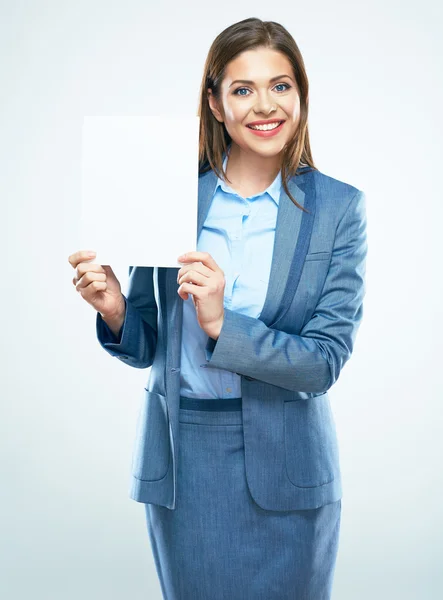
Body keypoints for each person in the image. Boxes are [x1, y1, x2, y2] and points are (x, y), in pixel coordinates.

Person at [68, 17, 367, 600]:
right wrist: (115, 312)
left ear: (302, 94)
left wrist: (221, 324)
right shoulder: (168, 189)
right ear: (214, 102)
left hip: (291, 468)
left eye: (281, 86)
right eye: (242, 89)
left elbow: (323, 363)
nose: (265, 106)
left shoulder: (338, 208)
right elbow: (149, 345)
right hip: (187, 462)